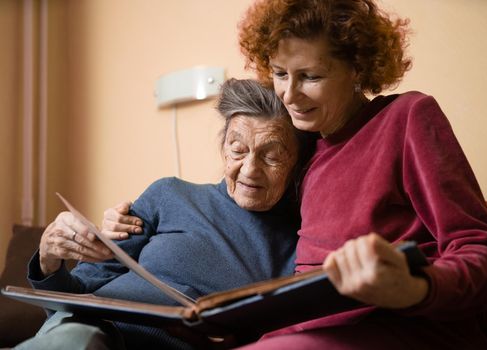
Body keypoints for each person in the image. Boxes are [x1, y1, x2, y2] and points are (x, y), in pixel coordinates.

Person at [233, 0, 487, 349]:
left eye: (311, 76)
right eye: (280, 73)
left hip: (408, 329)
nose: (289, 95)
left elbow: (484, 251)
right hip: (301, 333)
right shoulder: (303, 150)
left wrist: (416, 287)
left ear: (356, 68)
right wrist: (147, 218)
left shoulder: (406, 117)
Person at [15, 78, 316, 350]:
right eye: (237, 149)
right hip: (92, 332)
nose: (250, 169)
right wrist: (48, 262)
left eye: (272, 155)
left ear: (296, 164)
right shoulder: (169, 195)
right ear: (223, 149)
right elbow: (74, 298)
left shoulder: (302, 246)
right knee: (74, 340)